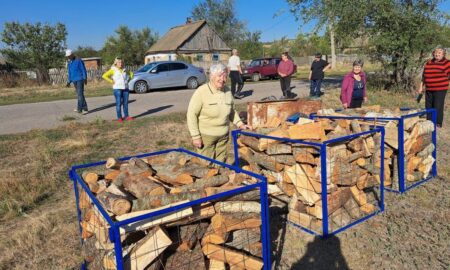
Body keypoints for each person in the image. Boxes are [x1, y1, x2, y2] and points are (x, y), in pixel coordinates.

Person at [187, 63, 249, 163]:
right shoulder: (201, 92)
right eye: (219, 76)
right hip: (206, 137)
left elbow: (232, 111)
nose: (222, 79)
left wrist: (240, 124)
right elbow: (191, 114)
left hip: (223, 136)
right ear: (211, 76)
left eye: (225, 76)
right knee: (206, 164)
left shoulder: (228, 91)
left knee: (220, 162)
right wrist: (195, 136)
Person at [418, 46, 450, 128]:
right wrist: (421, 87)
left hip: (440, 89)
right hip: (429, 88)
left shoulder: (447, 63)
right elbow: (424, 76)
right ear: (433, 53)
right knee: (428, 106)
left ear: (443, 54)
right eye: (436, 52)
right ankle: (429, 122)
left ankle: (437, 123)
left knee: (437, 106)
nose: (437, 54)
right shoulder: (429, 62)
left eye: (439, 53)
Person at [102, 57, 134, 123]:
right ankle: (119, 118)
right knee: (118, 103)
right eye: (119, 62)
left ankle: (127, 116)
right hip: (117, 89)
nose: (121, 63)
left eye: (122, 62)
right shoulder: (113, 70)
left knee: (125, 103)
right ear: (116, 63)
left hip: (125, 88)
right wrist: (111, 81)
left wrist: (128, 80)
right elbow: (104, 76)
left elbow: (132, 74)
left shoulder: (125, 69)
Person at [66, 49, 88, 114]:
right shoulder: (69, 63)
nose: (68, 57)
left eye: (69, 55)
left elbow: (83, 69)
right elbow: (70, 73)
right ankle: (85, 108)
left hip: (80, 79)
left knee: (80, 95)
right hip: (74, 80)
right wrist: (69, 81)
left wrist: (85, 78)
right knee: (80, 94)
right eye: (67, 56)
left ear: (72, 54)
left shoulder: (78, 60)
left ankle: (80, 109)